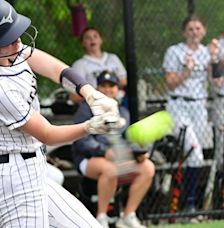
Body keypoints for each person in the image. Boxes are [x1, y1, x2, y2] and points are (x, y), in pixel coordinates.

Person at [0, 0, 125, 227]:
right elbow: (47, 133)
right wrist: (90, 126)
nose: (18, 43)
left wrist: (89, 93)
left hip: (33, 172)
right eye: (8, 40)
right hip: (14, 186)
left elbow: (54, 68)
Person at [72, 71, 155, 228]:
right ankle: (101, 219)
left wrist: (137, 153)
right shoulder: (85, 109)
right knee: (110, 169)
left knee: (147, 167)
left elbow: (127, 140)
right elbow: (82, 142)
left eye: (112, 86)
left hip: (117, 159)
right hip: (88, 159)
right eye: (103, 86)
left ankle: (128, 216)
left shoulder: (123, 112)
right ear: (97, 88)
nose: (108, 90)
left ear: (117, 89)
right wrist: (104, 152)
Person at [162, 14, 210, 211]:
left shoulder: (207, 52)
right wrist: (187, 72)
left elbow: (216, 80)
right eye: (190, 29)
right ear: (184, 32)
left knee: (196, 154)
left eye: (198, 28)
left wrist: (215, 59)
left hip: (199, 107)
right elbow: (170, 83)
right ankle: (189, 203)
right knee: (195, 153)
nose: (194, 32)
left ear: (204, 31)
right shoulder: (174, 51)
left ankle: (192, 200)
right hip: (179, 105)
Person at [70, 27, 127, 104]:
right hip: (93, 105)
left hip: (118, 102)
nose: (92, 39)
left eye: (95, 36)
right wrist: (97, 93)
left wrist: (110, 89)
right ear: (83, 43)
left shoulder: (113, 58)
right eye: (87, 38)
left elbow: (124, 81)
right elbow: (73, 96)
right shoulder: (79, 64)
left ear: (101, 40)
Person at [208, 37, 224, 172]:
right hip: (221, 99)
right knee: (221, 143)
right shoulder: (217, 44)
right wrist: (216, 58)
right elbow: (217, 80)